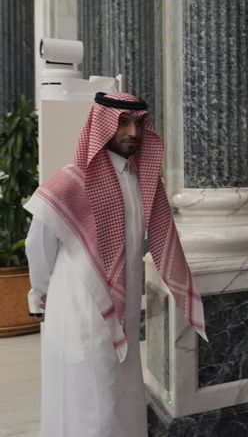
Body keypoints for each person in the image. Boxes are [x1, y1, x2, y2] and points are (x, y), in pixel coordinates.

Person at [25, 92, 207, 436]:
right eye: (122, 122)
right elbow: (38, 244)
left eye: (138, 123)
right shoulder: (72, 180)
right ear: (101, 126)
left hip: (124, 309)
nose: (132, 132)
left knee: (120, 394)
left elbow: (151, 239)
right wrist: (41, 297)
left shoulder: (143, 181)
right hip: (79, 308)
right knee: (89, 399)